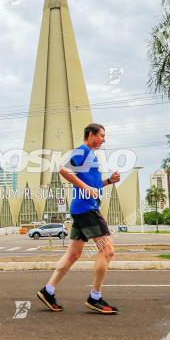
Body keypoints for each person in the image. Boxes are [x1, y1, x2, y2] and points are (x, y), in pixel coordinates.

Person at [36, 123, 121, 314]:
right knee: (107, 250)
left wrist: (109, 181)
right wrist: (85, 189)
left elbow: (94, 184)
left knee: (73, 254)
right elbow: (64, 170)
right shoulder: (82, 151)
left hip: (81, 208)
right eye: (101, 136)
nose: (103, 140)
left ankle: (48, 291)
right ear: (90, 135)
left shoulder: (90, 155)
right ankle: (95, 297)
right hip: (87, 208)